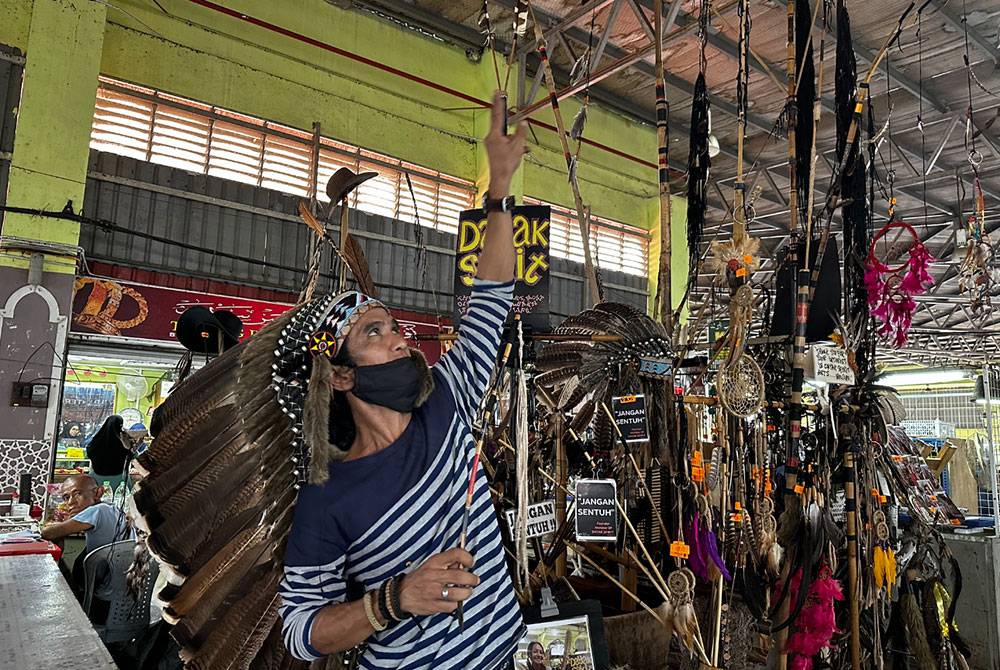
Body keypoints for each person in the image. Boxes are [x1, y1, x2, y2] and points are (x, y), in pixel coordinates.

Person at [279, 92, 527, 669]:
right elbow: (299, 628)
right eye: (373, 333)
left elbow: (492, 293)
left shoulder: (448, 399)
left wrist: (499, 190)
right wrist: (392, 600)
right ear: (340, 376)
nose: (398, 338)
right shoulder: (327, 496)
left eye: (393, 326)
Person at [42, 473, 134, 619]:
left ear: (98, 493)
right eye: (66, 497)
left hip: (103, 605)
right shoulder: (113, 509)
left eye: (77, 494)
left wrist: (62, 523)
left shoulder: (97, 511)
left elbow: (47, 533)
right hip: (127, 603)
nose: (71, 502)